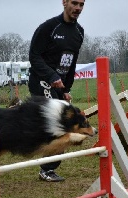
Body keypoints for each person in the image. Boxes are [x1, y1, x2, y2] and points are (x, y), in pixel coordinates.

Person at [28, 0, 85, 182]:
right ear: (64, 2)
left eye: (82, 5)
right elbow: (34, 56)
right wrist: (52, 76)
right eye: (74, 3)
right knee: (59, 122)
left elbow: (71, 62)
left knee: (64, 123)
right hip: (42, 82)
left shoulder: (79, 32)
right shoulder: (48, 28)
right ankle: (47, 169)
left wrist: (66, 89)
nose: (77, 8)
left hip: (59, 86)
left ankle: (48, 166)